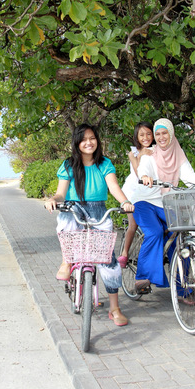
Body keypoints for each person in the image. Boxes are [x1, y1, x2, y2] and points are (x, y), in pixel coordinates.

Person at [44, 124, 135, 327]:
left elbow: (113, 187)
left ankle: (114, 308)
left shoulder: (104, 164)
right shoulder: (68, 165)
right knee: (66, 222)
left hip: (98, 210)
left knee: (108, 261)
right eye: (84, 139)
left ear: (97, 141)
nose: (88, 142)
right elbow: (60, 193)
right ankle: (67, 261)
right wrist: (54, 199)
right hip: (74, 208)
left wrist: (124, 202)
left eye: (92, 138)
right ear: (77, 143)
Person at [133, 118, 195, 292]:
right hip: (145, 202)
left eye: (164, 133)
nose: (161, 137)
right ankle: (143, 277)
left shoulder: (178, 153)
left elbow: (189, 176)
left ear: (171, 134)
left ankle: (182, 288)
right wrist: (146, 178)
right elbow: (143, 169)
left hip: (167, 202)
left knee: (180, 236)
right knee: (155, 232)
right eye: (158, 134)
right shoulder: (150, 153)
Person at [118, 121, 154, 268]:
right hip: (133, 190)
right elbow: (139, 172)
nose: (145, 137)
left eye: (148, 134)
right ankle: (125, 253)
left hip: (151, 190)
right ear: (136, 137)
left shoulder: (157, 149)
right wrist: (142, 155)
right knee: (133, 223)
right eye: (141, 135)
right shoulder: (133, 152)